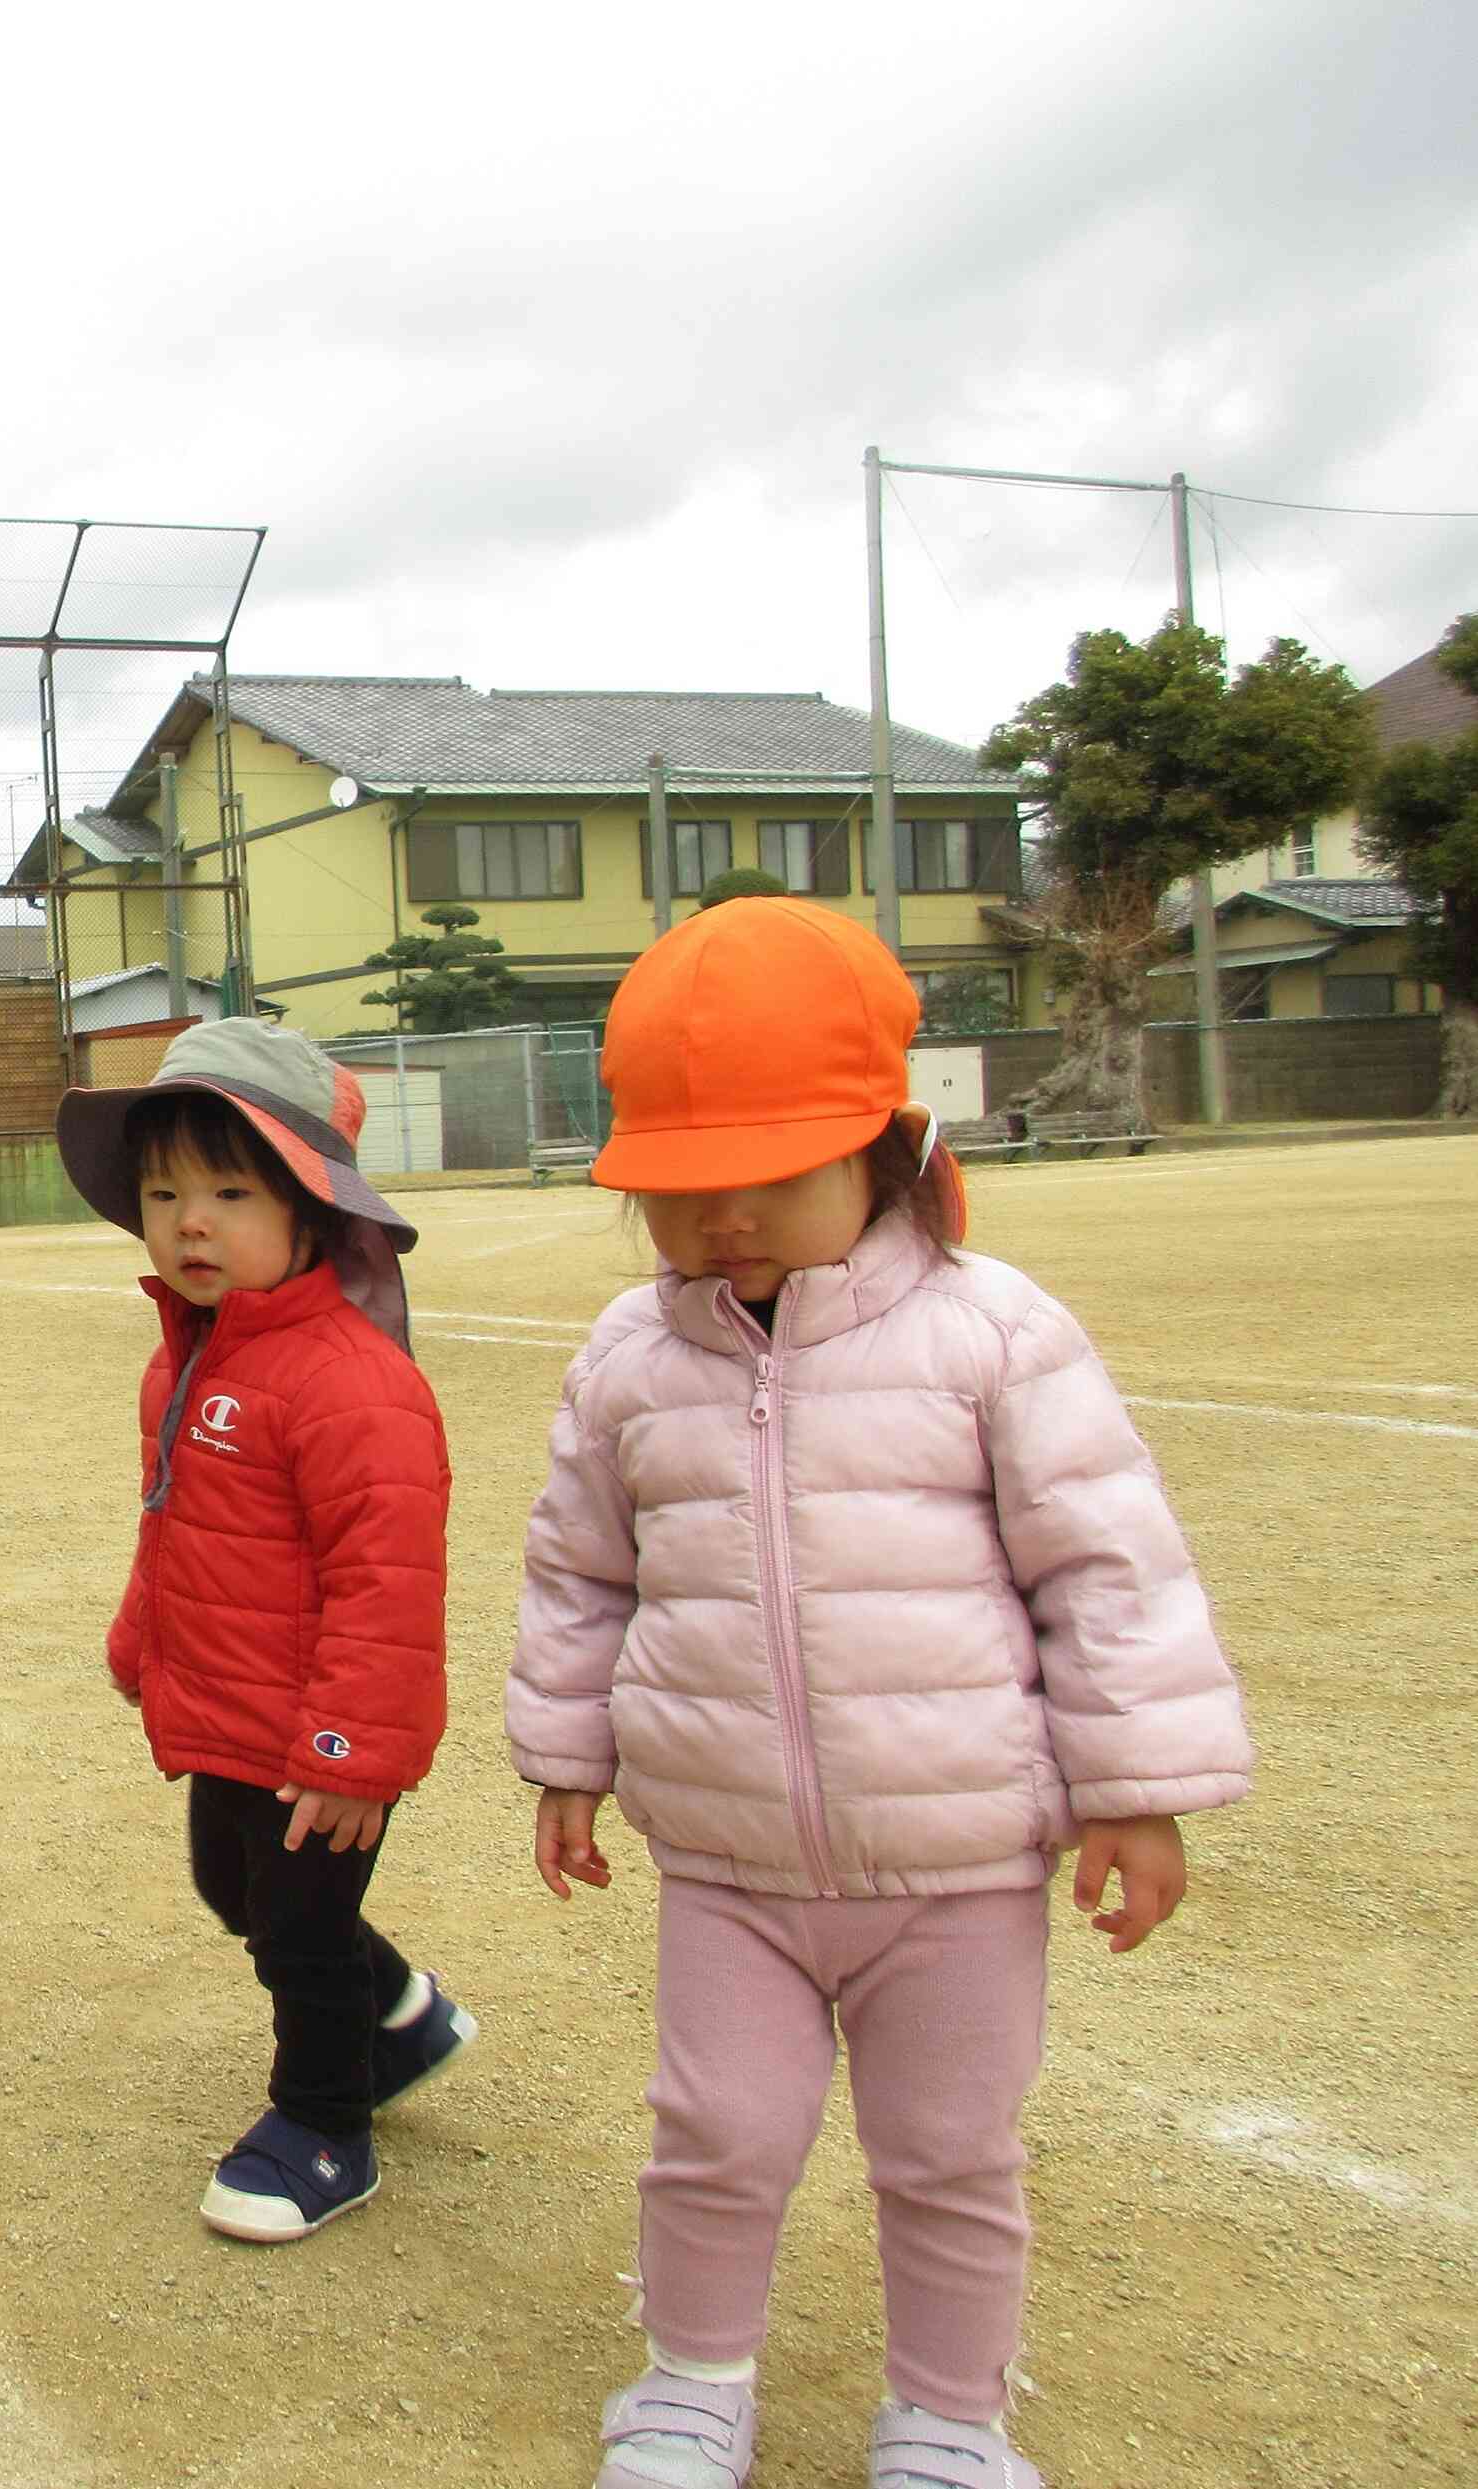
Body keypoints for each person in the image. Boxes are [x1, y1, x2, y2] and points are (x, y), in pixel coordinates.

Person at [508, 898, 1253, 2489]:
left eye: (771, 1173)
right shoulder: (627, 1359)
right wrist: (565, 1754)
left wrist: (1135, 1789)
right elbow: (579, 1575)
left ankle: (946, 2415)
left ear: (881, 1148)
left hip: (956, 1863)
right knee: (714, 2135)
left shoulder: (991, 1333)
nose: (723, 1218)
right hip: (727, 1864)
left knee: (947, 2152)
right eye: (679, 1186)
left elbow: (1104, 1567)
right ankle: (690, 2382)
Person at [56, 1018, 475, 2245]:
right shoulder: (187, 1358)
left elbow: (388, 1583)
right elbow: (174, 1526)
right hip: (231, 1705)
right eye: (164, 1193)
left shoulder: (349, 1378)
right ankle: (402, 2013)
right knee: (230, 1885)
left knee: (297, 1930)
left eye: (232, 1193)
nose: (191, 1222)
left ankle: (325, 2123)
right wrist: (142, 1638)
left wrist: (352, 1749)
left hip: (318, 1732)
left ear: (311, 1208)